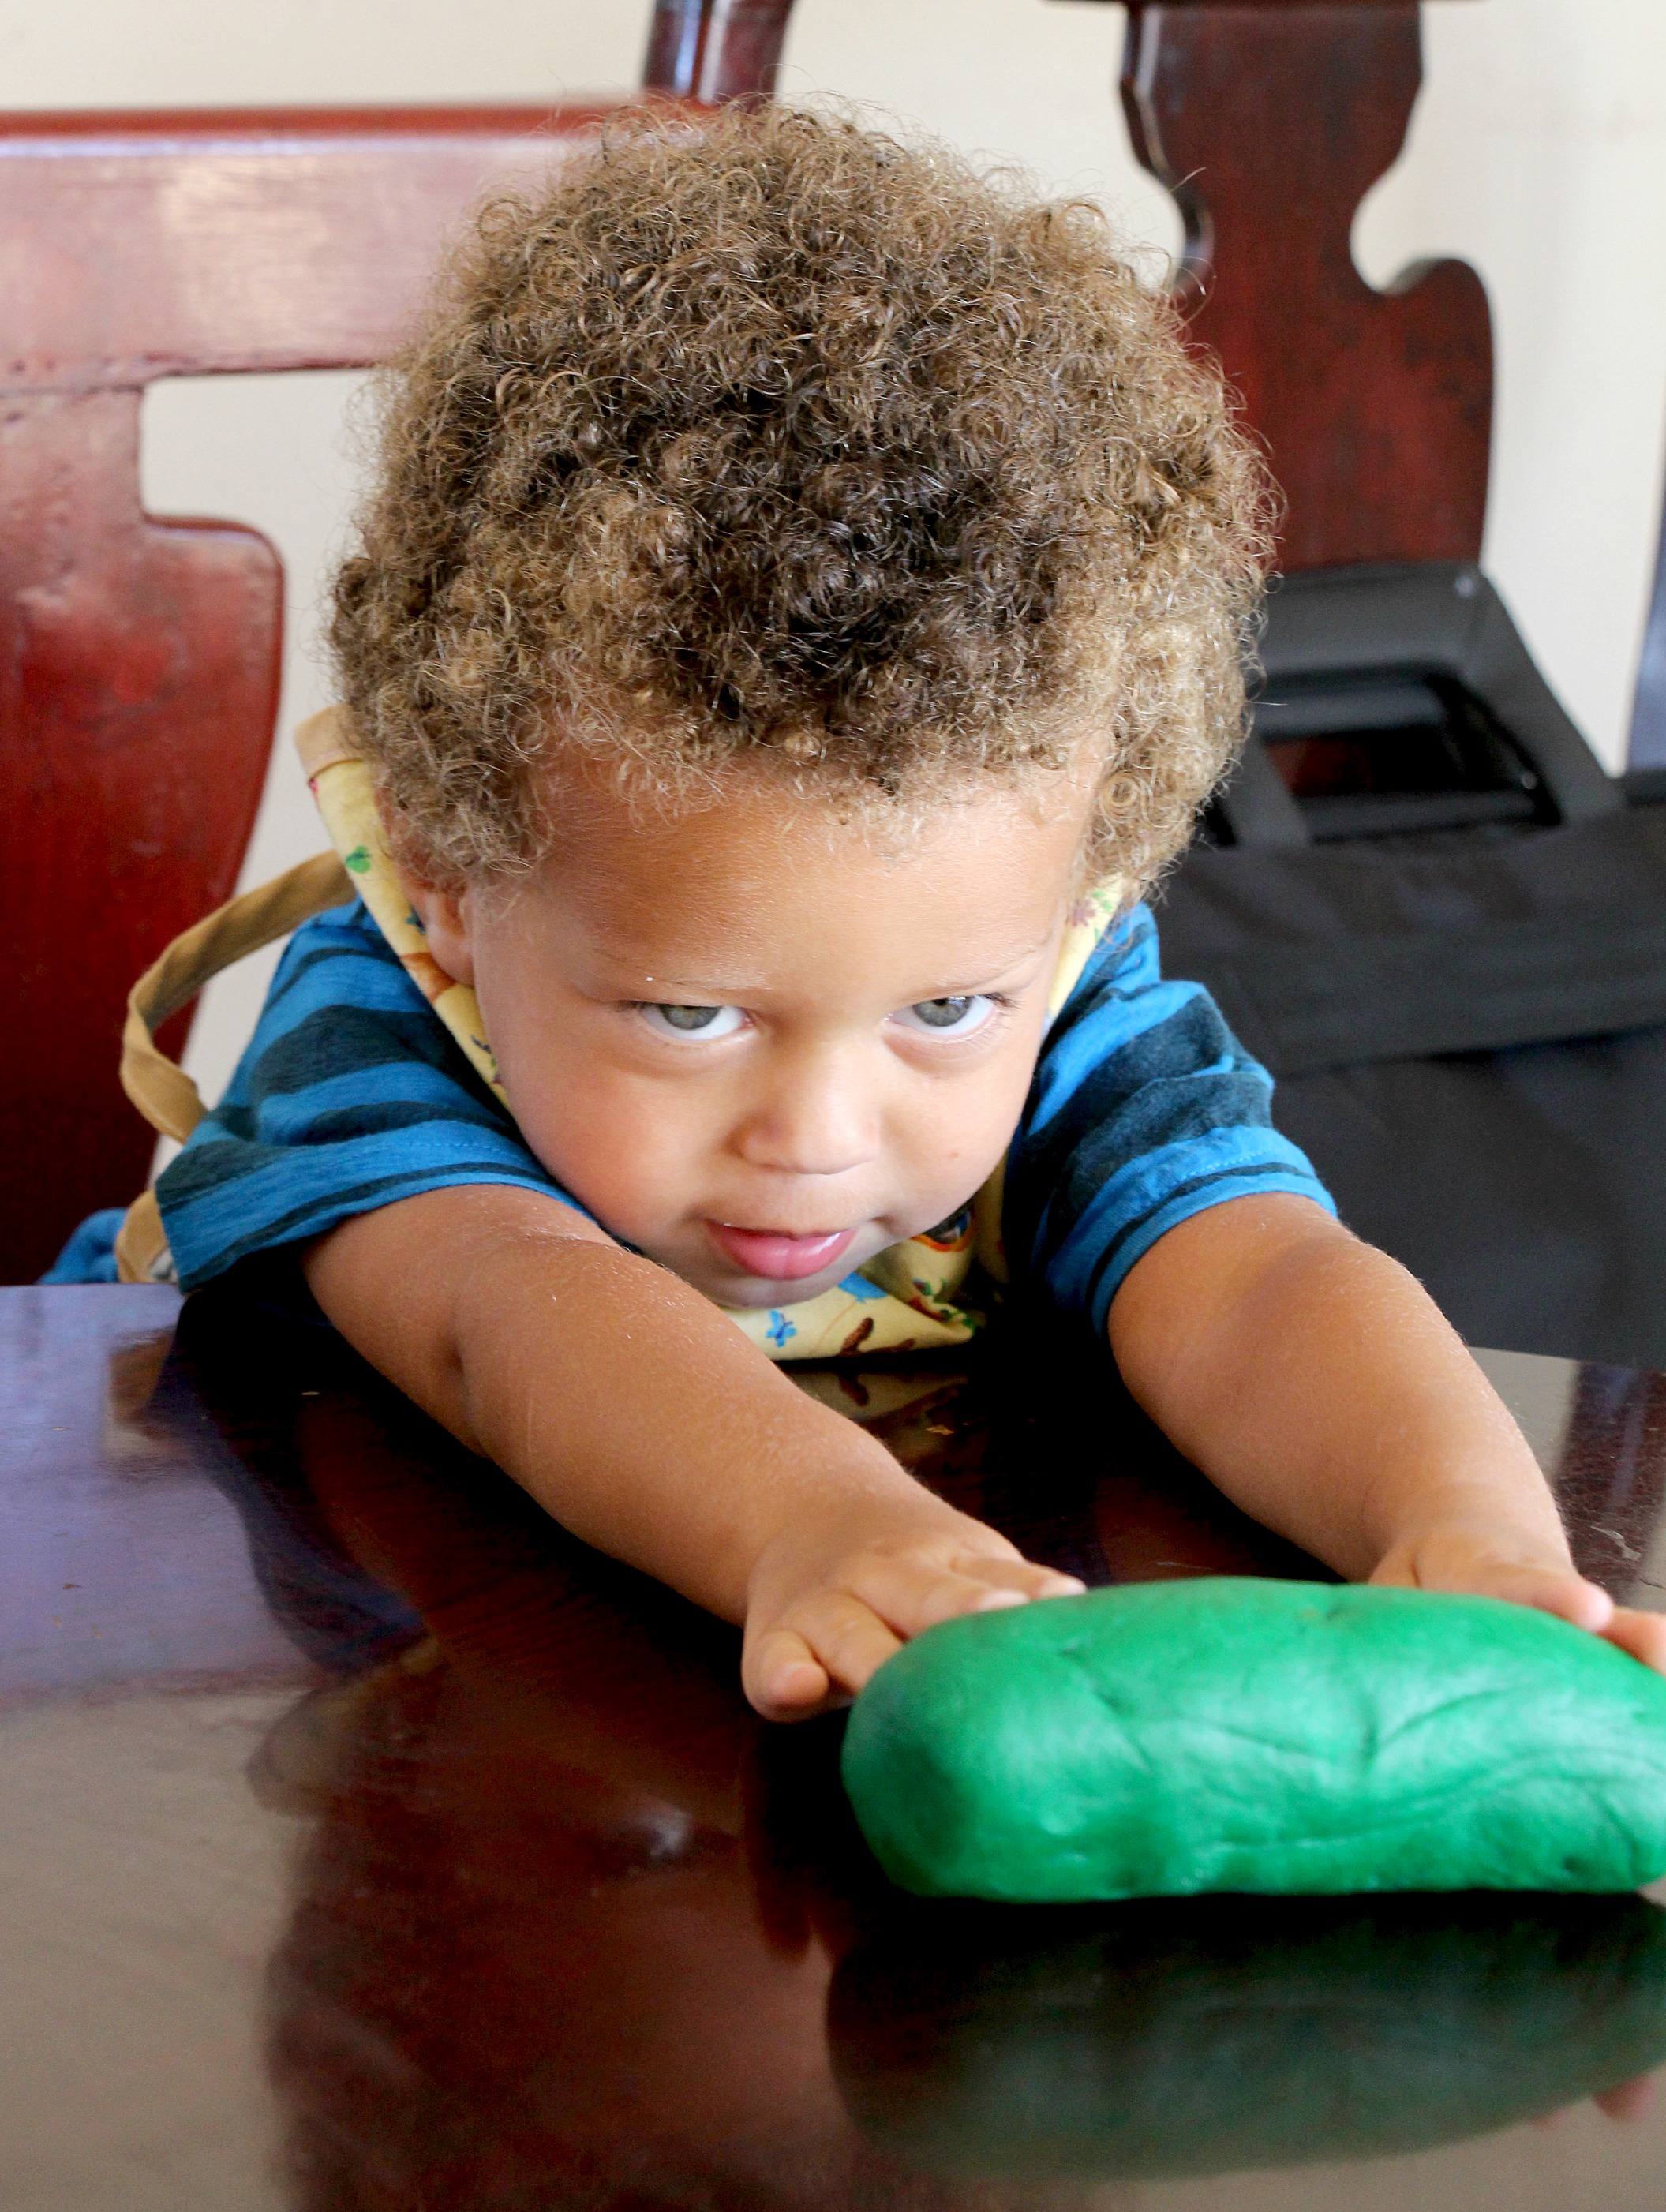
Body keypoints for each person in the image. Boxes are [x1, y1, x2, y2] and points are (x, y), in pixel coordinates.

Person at [133, 106, 1666, 1717]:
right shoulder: (381, 1024)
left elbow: (1255, 1277)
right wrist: (818, 1520)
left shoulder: (1057, 997)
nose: (818, 1136)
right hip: (441, 1724)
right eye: (691, 1014)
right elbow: (506, 1315)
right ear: (451, 888)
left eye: (943, 1012)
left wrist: (1472, 1539)